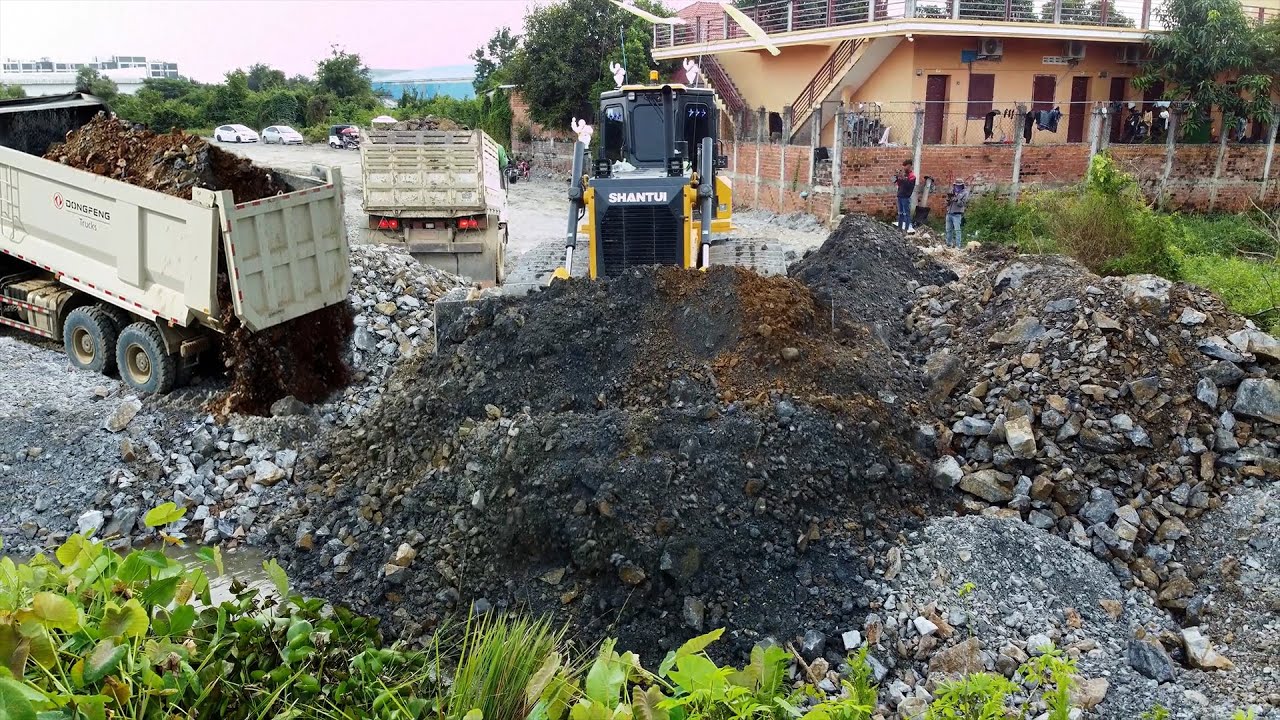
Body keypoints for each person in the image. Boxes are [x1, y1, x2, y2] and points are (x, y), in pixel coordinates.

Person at [944, 178, 971, 249]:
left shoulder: (965, 193)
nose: (957, 187)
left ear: (962, 185)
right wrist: (948, 201)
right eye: (956, 185)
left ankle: (958, 246)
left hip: (957, 214)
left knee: (957, 230)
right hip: (949, 212)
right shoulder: (952, 190)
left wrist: (956, 200)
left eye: (959, 186)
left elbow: (962, 204)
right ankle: (949, 244)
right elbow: (946, 202)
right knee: (948, 229)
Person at [893, 159, 916, 233]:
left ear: (909, 166)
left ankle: (906, 230)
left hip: (906, 197)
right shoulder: (903, 175)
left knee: (906, 214)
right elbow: (895, 182)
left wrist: (903, 178)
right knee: (900, 213)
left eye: (905, 166)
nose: (904, 168)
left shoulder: (912, 176)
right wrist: (897, 177)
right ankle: (899, 229)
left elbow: (909, 186)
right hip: (900, 196)